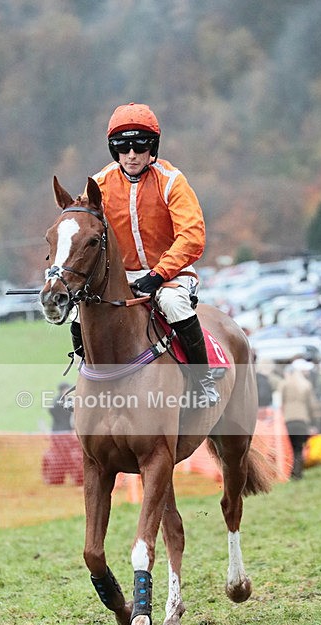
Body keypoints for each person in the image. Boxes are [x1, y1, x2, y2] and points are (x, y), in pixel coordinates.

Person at [70, 102, 219, 406]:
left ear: (153, 147)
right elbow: (82, 226)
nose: (132, 154)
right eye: (123, 147)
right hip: (122, 277)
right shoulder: (99, 184)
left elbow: (192, 236)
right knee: (78, 314)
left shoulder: (172, 181)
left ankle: (202, 380)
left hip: (170, 276)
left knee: (174, 303)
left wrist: (157, 275)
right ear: (115, 150)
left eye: (140, 145)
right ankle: (86, 383)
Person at [280, 359, 318, 480]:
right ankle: (298, 472)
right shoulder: (306, 385)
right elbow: (311, 405)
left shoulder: (284, 384)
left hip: (288, 419)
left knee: (290, 447)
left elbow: (280, 402)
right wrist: (313, 422)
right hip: (302, 419)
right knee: (299, 448)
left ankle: (292, 471)